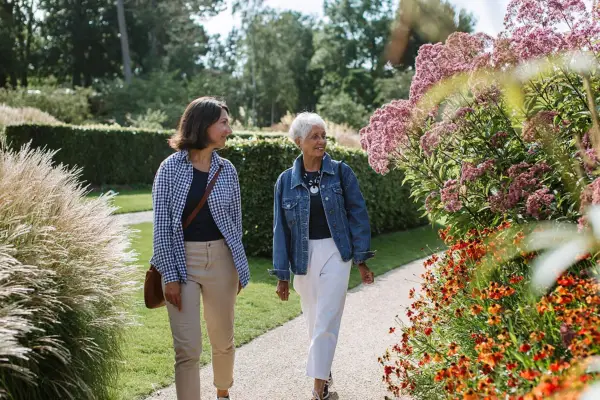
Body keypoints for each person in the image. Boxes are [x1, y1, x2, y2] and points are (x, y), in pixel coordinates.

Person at [150, 97, 250, 400]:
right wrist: (168, 275)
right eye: (223, 122)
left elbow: (235, 223)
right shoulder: (169, 169)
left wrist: (235, 267)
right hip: (181, 263)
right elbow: (162, 227)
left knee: (223, 340)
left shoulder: (227, 170)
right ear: (202, 125)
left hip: (222, 261)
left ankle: (223, 393)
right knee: (187, 349)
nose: (228, 130)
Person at [270, 112, 375, 400]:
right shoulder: (285, 182)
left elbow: (358, 216)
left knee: (327, 318)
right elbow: (281, 230)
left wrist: (361, 260)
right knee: (314, 320)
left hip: (335, 252)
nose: (321, 141)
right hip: (302, 258)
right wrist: (282, 276)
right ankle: (324, 375)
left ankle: (317, 391)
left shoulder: (341, 172)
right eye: (314, 136)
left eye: (323, 135)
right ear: (298, 142)